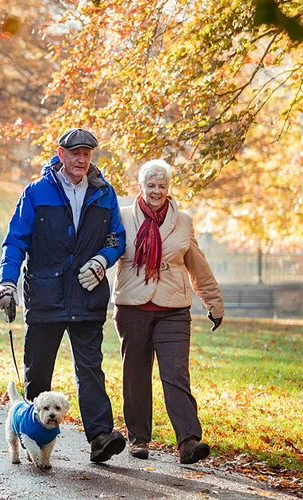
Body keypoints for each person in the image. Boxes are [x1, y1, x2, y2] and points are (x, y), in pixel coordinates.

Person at [0, 127, 128, 463]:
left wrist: (101, 261)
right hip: (45, 295)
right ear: (61, 153)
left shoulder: (103, 193)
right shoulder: (37, 193)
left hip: (87, 295)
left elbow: (117, 238)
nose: (82, 159)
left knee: (91, 370)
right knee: (38, 373)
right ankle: (32, 433)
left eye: (87, 153)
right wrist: (6, 282)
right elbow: (15, 241)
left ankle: (100, 438)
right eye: (75, 153)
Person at [112, 159, 224, 464]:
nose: (156, 191)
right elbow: (106, 253)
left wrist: (214, 302)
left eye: (162, 186)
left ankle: (188, 440)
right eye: (151, 185)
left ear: (169, 188)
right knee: (135, 373)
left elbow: (197, 266)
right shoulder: (121, 218)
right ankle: (139, 439)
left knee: (175, 373)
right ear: (141, 187)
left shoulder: (183, 221)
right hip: (132, 307)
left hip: (173, 308)